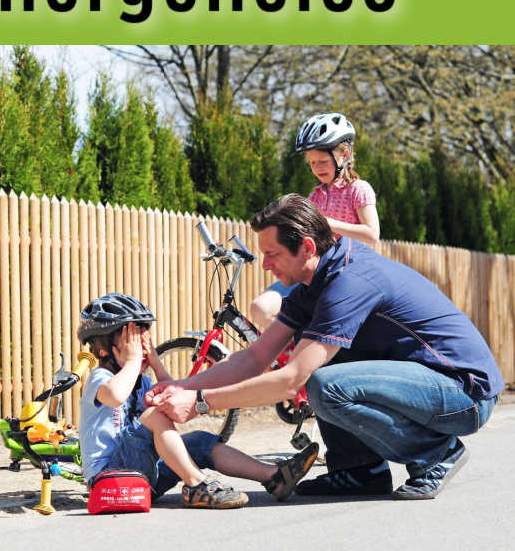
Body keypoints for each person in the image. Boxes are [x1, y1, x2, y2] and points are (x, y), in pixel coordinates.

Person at [146, 194, 503, 501]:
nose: (266, 265)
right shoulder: (309, 287)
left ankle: (436, 453)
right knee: (323, 368)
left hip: (464, 392)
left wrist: (203, 403)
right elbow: (256, 356)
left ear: (307, 246)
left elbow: (291, 379)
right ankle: (361, 470)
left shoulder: (349, 281)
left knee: (323, 383)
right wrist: (183, 387)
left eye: (273, 254)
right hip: (425, 386)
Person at [78, 292, 308, 508]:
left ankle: (274, 476)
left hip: (147, 474)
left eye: (144, 341)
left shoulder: (142, 382)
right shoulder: (101, 378)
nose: (142, 350)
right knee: (153, 415)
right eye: (133, 342)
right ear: (104, 350)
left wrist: (156, 365)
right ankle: (197, 484)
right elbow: (116, 396)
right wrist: (133, 361)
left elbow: (169, 397)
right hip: (110, 477)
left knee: (198, 441)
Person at [250, 112, 380, 330]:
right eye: (312, 163)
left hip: (344, 275)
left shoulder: (358, 190)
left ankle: (304, 352)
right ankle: (292, 353)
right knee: (260, 307)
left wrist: (327, 223)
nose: (317, 167)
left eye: (322, 161)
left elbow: (372, 235)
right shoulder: (315, 196)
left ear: (344, 155)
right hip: (313, 275)